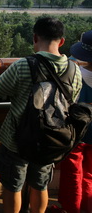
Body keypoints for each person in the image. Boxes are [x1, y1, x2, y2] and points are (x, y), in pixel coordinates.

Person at [0, 17, 82, 213]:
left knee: (12, 186)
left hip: (17, 140)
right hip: (51, 140)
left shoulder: (23, 65)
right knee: (40, 185)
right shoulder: (75, 70)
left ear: (34, 37)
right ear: (62, 41)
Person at [57, 30, 92, 213]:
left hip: (75, 129)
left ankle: (71, 208)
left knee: (72, 172)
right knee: (90, 175)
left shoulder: (72, 68)